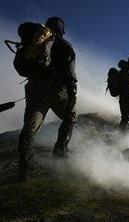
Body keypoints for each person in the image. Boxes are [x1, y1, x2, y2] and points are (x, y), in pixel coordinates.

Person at [17, 17, 77, 181]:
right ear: (62, 30)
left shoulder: (34, 41)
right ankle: (60, 152)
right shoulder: (65, 46)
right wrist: (72, 95)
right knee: (70, 117)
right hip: (56, 92)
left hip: (35, 92)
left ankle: (25, 169)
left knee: (29, 128)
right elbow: (70, 74)